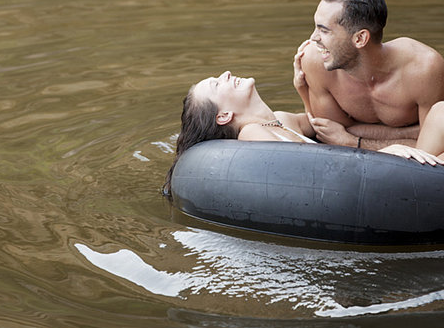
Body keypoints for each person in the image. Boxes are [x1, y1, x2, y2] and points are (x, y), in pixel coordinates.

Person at [164, 70, 444, 195]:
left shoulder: (280, 120)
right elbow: (312, 169)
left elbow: (322, 124)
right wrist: (385, 154)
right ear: (224, 116)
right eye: (216, 84)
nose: (225, 73)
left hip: (376, 168)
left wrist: (304, 90)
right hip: (376, 178)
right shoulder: (251, 135)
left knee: (441, 113)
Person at [295, 0, 444, 150]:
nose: (313, 38)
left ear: (360, 39)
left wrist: (355, 141)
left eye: (324, 30)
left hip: (416, 164)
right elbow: (330, 134)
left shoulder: (423, 68)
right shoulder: (315, 61)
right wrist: (410, 132)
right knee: (278, 120)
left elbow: (432, 146)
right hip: (383, 155)